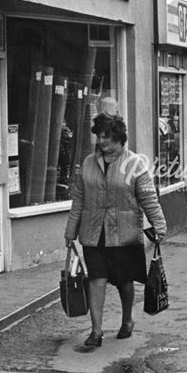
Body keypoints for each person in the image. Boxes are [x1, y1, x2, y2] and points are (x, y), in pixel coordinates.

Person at [64, 113, 167, 348]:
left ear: (120, 138)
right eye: (99, 137)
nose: (102, 142)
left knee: (124, 281)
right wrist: (71, 231)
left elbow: (148, 198)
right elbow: (78, 200)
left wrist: (159, 226)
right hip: (94, 233)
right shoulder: (88, 163)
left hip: (124, 234)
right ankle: (96, 331)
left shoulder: (135, 164)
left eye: (107, 138)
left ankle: (127, 319)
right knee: (96, 279)